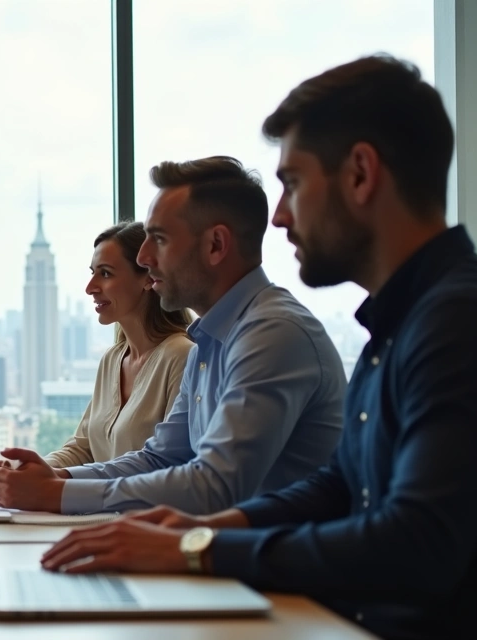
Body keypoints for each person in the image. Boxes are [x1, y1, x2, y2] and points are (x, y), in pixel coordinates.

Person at [38, 55, 477, 640]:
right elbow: (340, 486)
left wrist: (200, 548)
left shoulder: (453, 322)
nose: (281, 216)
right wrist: (204, 532)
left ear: (360, 174)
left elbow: (415, 542)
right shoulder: (401, 323)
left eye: (293, 183)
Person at [0, 156, 346, 515]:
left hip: (271, 569)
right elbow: (160, 458)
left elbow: (215, 486)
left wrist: (55, 495)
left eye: (159, 239)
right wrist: (57, 478)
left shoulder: (272, 334)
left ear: (216, 245)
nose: (143, 256)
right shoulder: (210, 341)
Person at [0, 222, 192, 481]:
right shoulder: (113, 359)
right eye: (93, 273)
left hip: (143, 517)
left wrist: (57, 481)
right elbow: (83, 448)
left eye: (105, 274)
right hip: (102, 514)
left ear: (148, 278)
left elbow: (163, 466)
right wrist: (22, 471)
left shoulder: (182, 356)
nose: (90, 287)